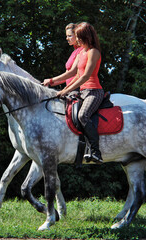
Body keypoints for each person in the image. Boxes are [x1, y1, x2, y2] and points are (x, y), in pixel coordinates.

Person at [56, 22, 104, 163]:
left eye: (78, 37)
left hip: (94, 91)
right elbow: (75, 74)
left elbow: (85, 76)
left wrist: (66, 90)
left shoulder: (93, 52)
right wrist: (61, 88)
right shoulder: (81, 53)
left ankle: (96, 151)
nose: (76, 40)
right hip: (83, 92)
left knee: (83, 116)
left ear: (85, 36)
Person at [42, 23, 83, 88]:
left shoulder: (82, 50)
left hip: (77, 88)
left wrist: (51, 80)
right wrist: (50, 83)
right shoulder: (74, 52)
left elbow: (72, 72)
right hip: (69, 88)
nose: (67, 38)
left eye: (69, 36)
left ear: (77, 35)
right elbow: (66, 76)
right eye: (66, 36)